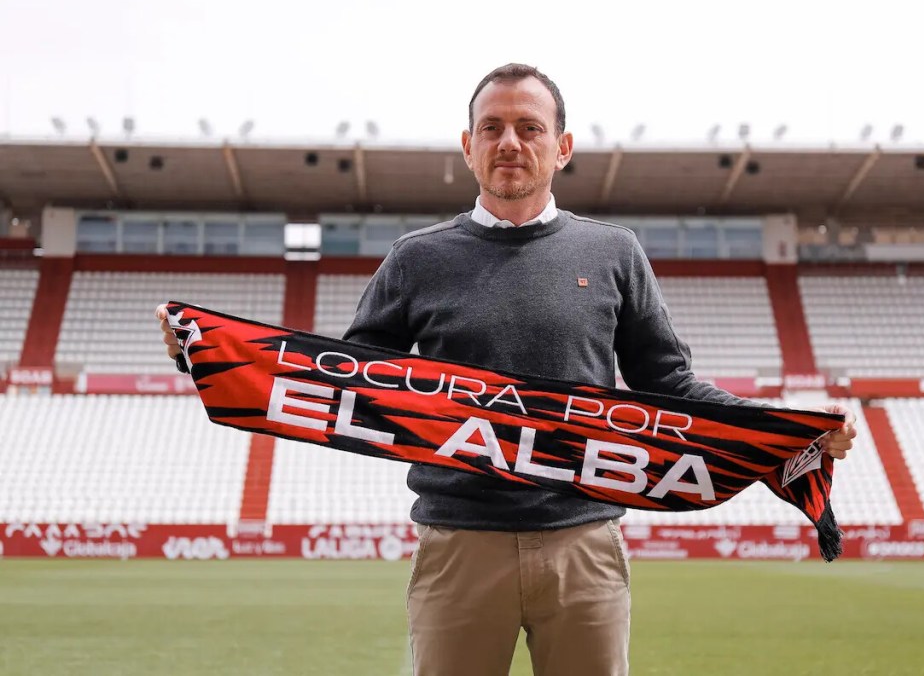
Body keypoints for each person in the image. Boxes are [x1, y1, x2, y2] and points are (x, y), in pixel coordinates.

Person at [157, 62, 856, 676]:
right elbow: (343, 379)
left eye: (529, 127)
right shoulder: (416, 258)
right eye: (491, 127)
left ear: (563, 147)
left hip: (584, 544)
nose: (510, 142)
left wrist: (783, 429)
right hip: (458, 546)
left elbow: (669, 387)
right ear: (468, 147)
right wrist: (210, 351)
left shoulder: (614, 253)